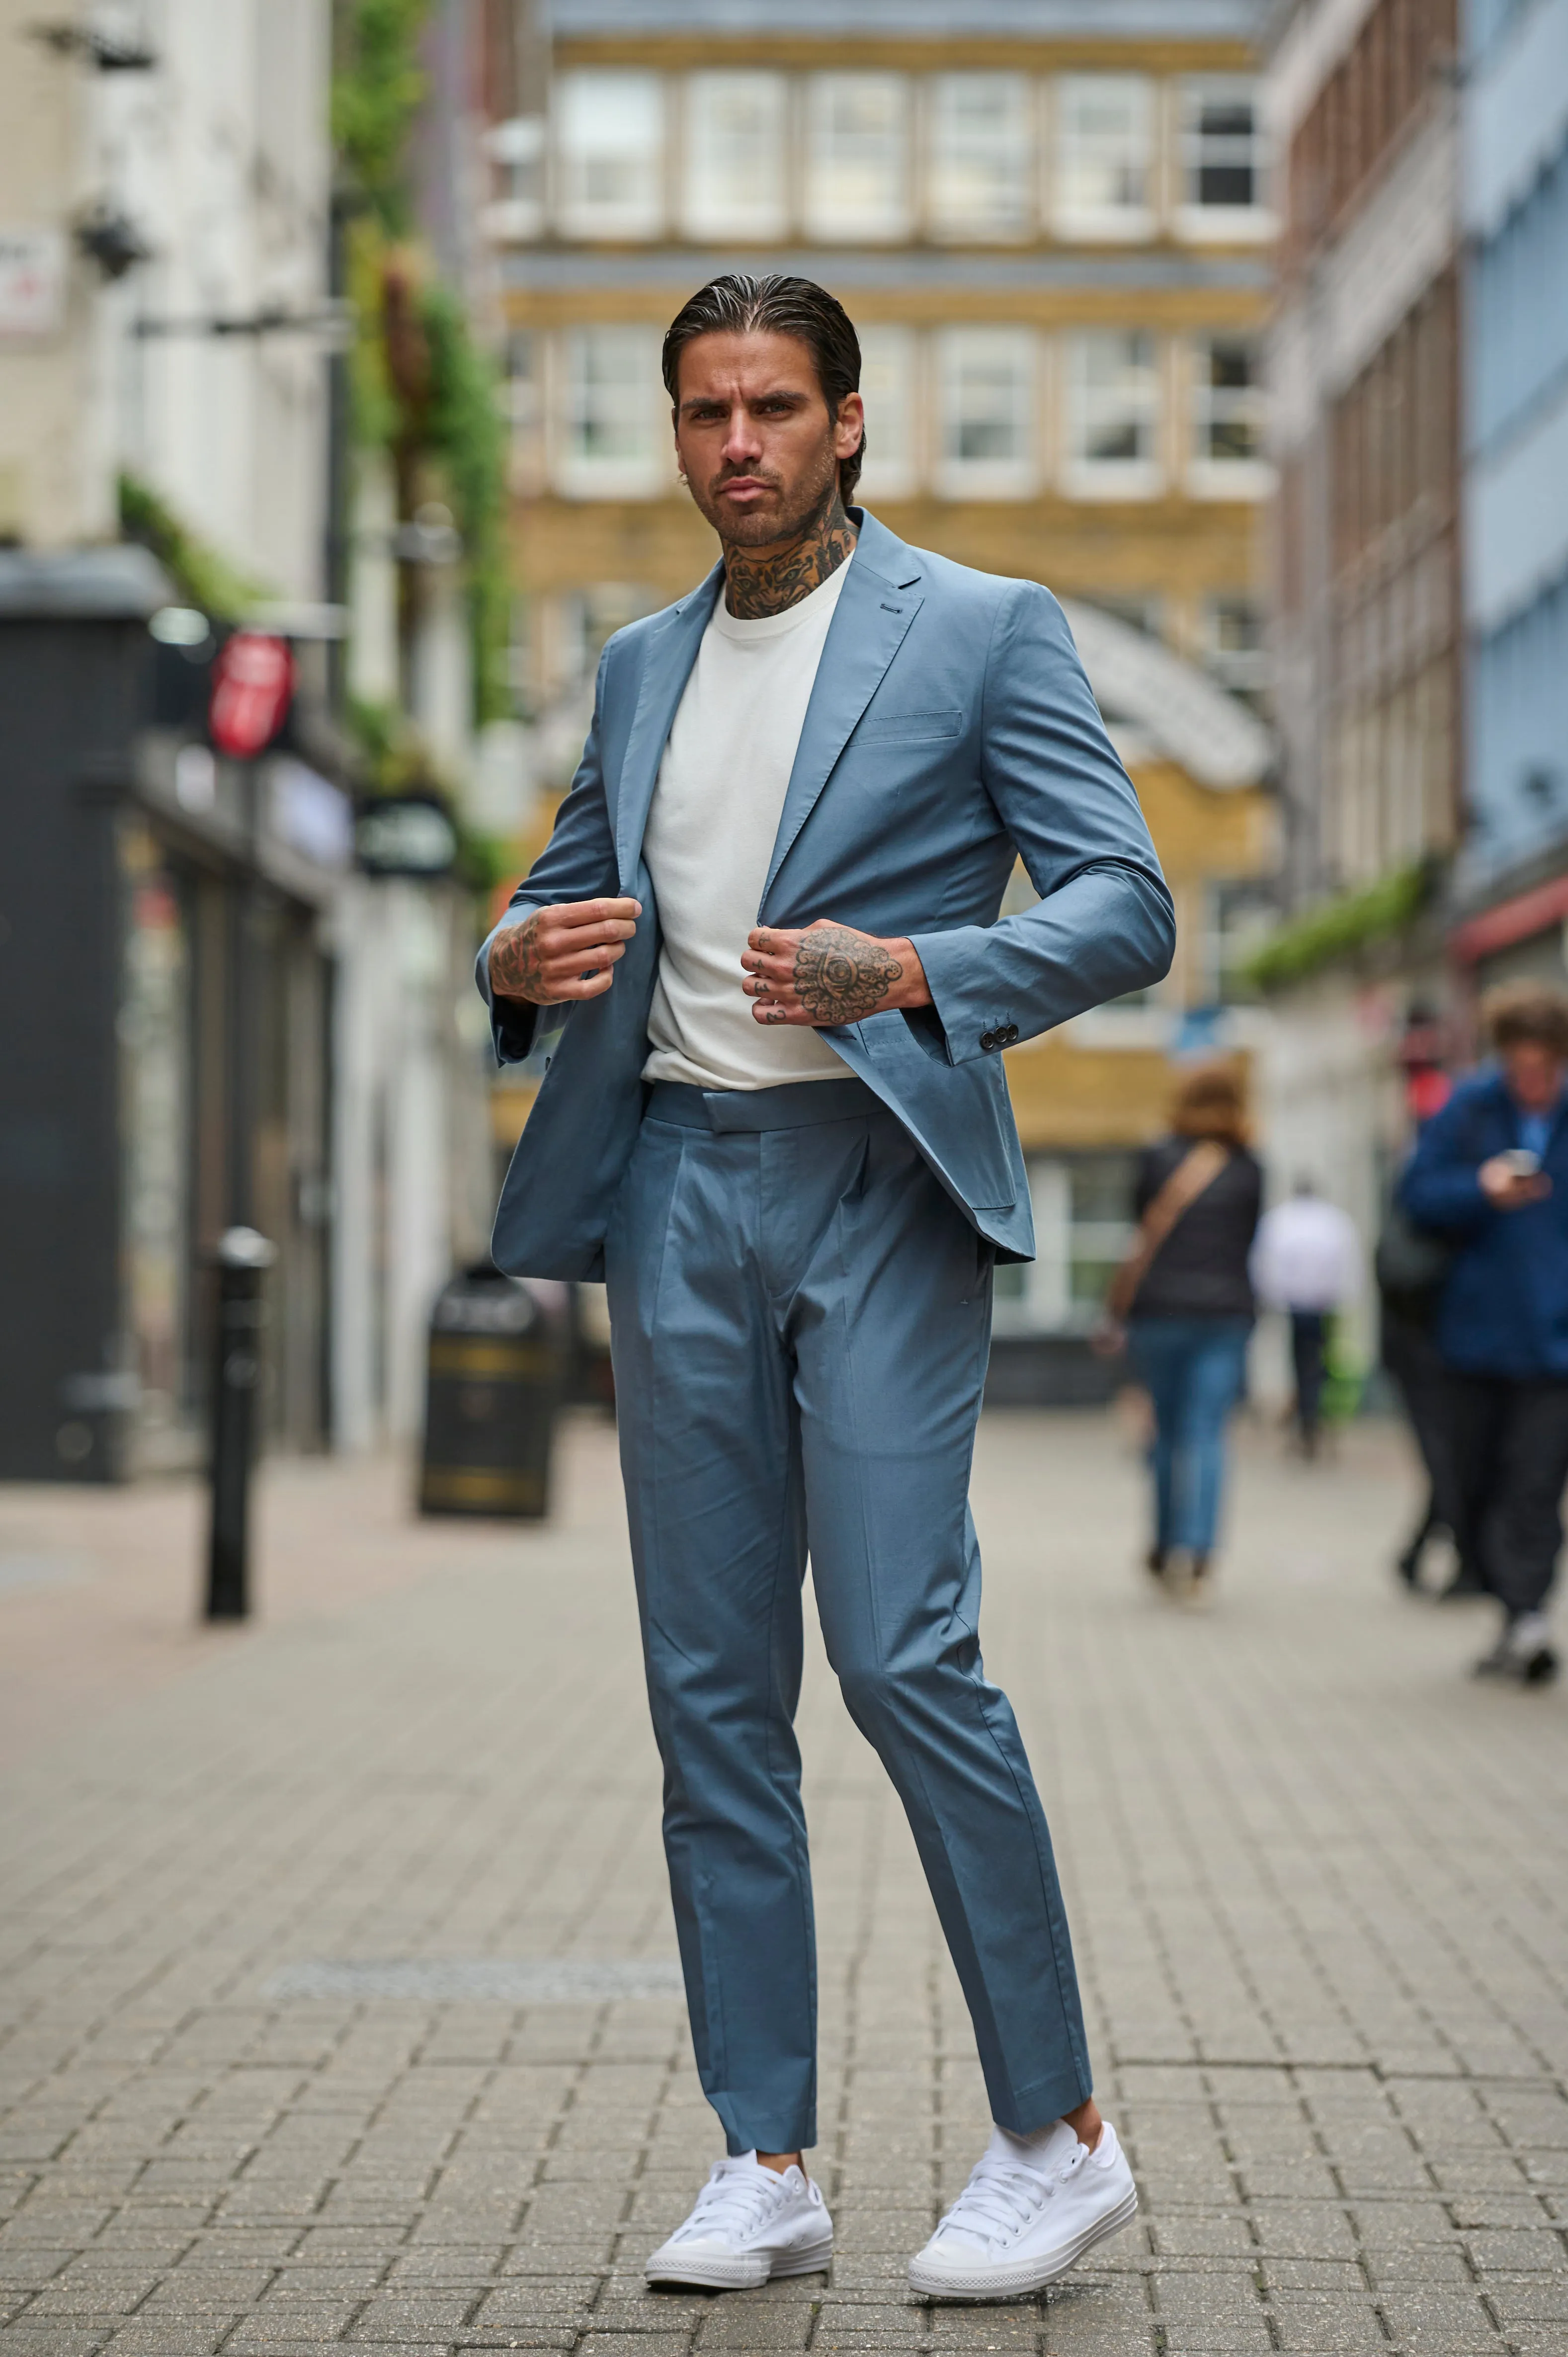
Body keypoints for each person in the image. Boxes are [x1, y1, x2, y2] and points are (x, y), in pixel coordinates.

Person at [476, 274, 1173, 2301]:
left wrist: (929, 971)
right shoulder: (635, 664)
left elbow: (1126, 900)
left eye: (774, 406)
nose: (737, 446)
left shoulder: (975, 629)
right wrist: (507, 963)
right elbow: (560, 893)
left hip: (873, 1180)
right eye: (702, 412)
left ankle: (1052, 2130)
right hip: (672, 1184)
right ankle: (761, 2151)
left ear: (848, 422)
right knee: (708, 1695)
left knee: (894, 1651)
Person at [1401, 981, 1568, 1685]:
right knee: (1470, 1484)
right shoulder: (1468, 1108)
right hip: (1471, 1337)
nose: (1529, 1080)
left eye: (1543, 1067)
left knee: (1533, 1485)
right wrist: (1480, 1188)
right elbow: (1413, 1195)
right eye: (1518, 1066)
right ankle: (1507, 1606)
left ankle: (1525, 1616)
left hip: (1555, 1345)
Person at [1123, 1067, 1262, 1598]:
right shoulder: (1249, 1167)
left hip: (1159, 1311)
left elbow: (1138, 1221)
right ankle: (1199, 1551)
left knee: (1166, 1430)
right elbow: (1249, 1237)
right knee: (1206, 1432)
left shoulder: (1157, 1158)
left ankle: (1162, 1545)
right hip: (1224, 1314)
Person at [1250, 1180, 1361, 1456]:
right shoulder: (1333, 1221)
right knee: (1317, 1363)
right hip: (1323, 1303)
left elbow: (1266, 1262)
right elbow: (1348, 1261)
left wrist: (1269, 1297)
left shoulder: (1281, 1220)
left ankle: (1307, 1417)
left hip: (1296, 1303)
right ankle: (1311, 1418)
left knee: (1303, 1363)